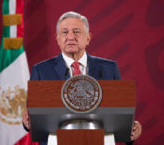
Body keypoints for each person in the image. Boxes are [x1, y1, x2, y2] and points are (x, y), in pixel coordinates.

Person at [23, 11, 142, 144]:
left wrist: (131, 129)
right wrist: (27, 121)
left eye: (76, 31)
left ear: (88, 38)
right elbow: (32, 119)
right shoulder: (41, 71)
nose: (70, 37)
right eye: (64, 32)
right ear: (57, 38)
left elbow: (120, 112)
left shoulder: (109, 68)